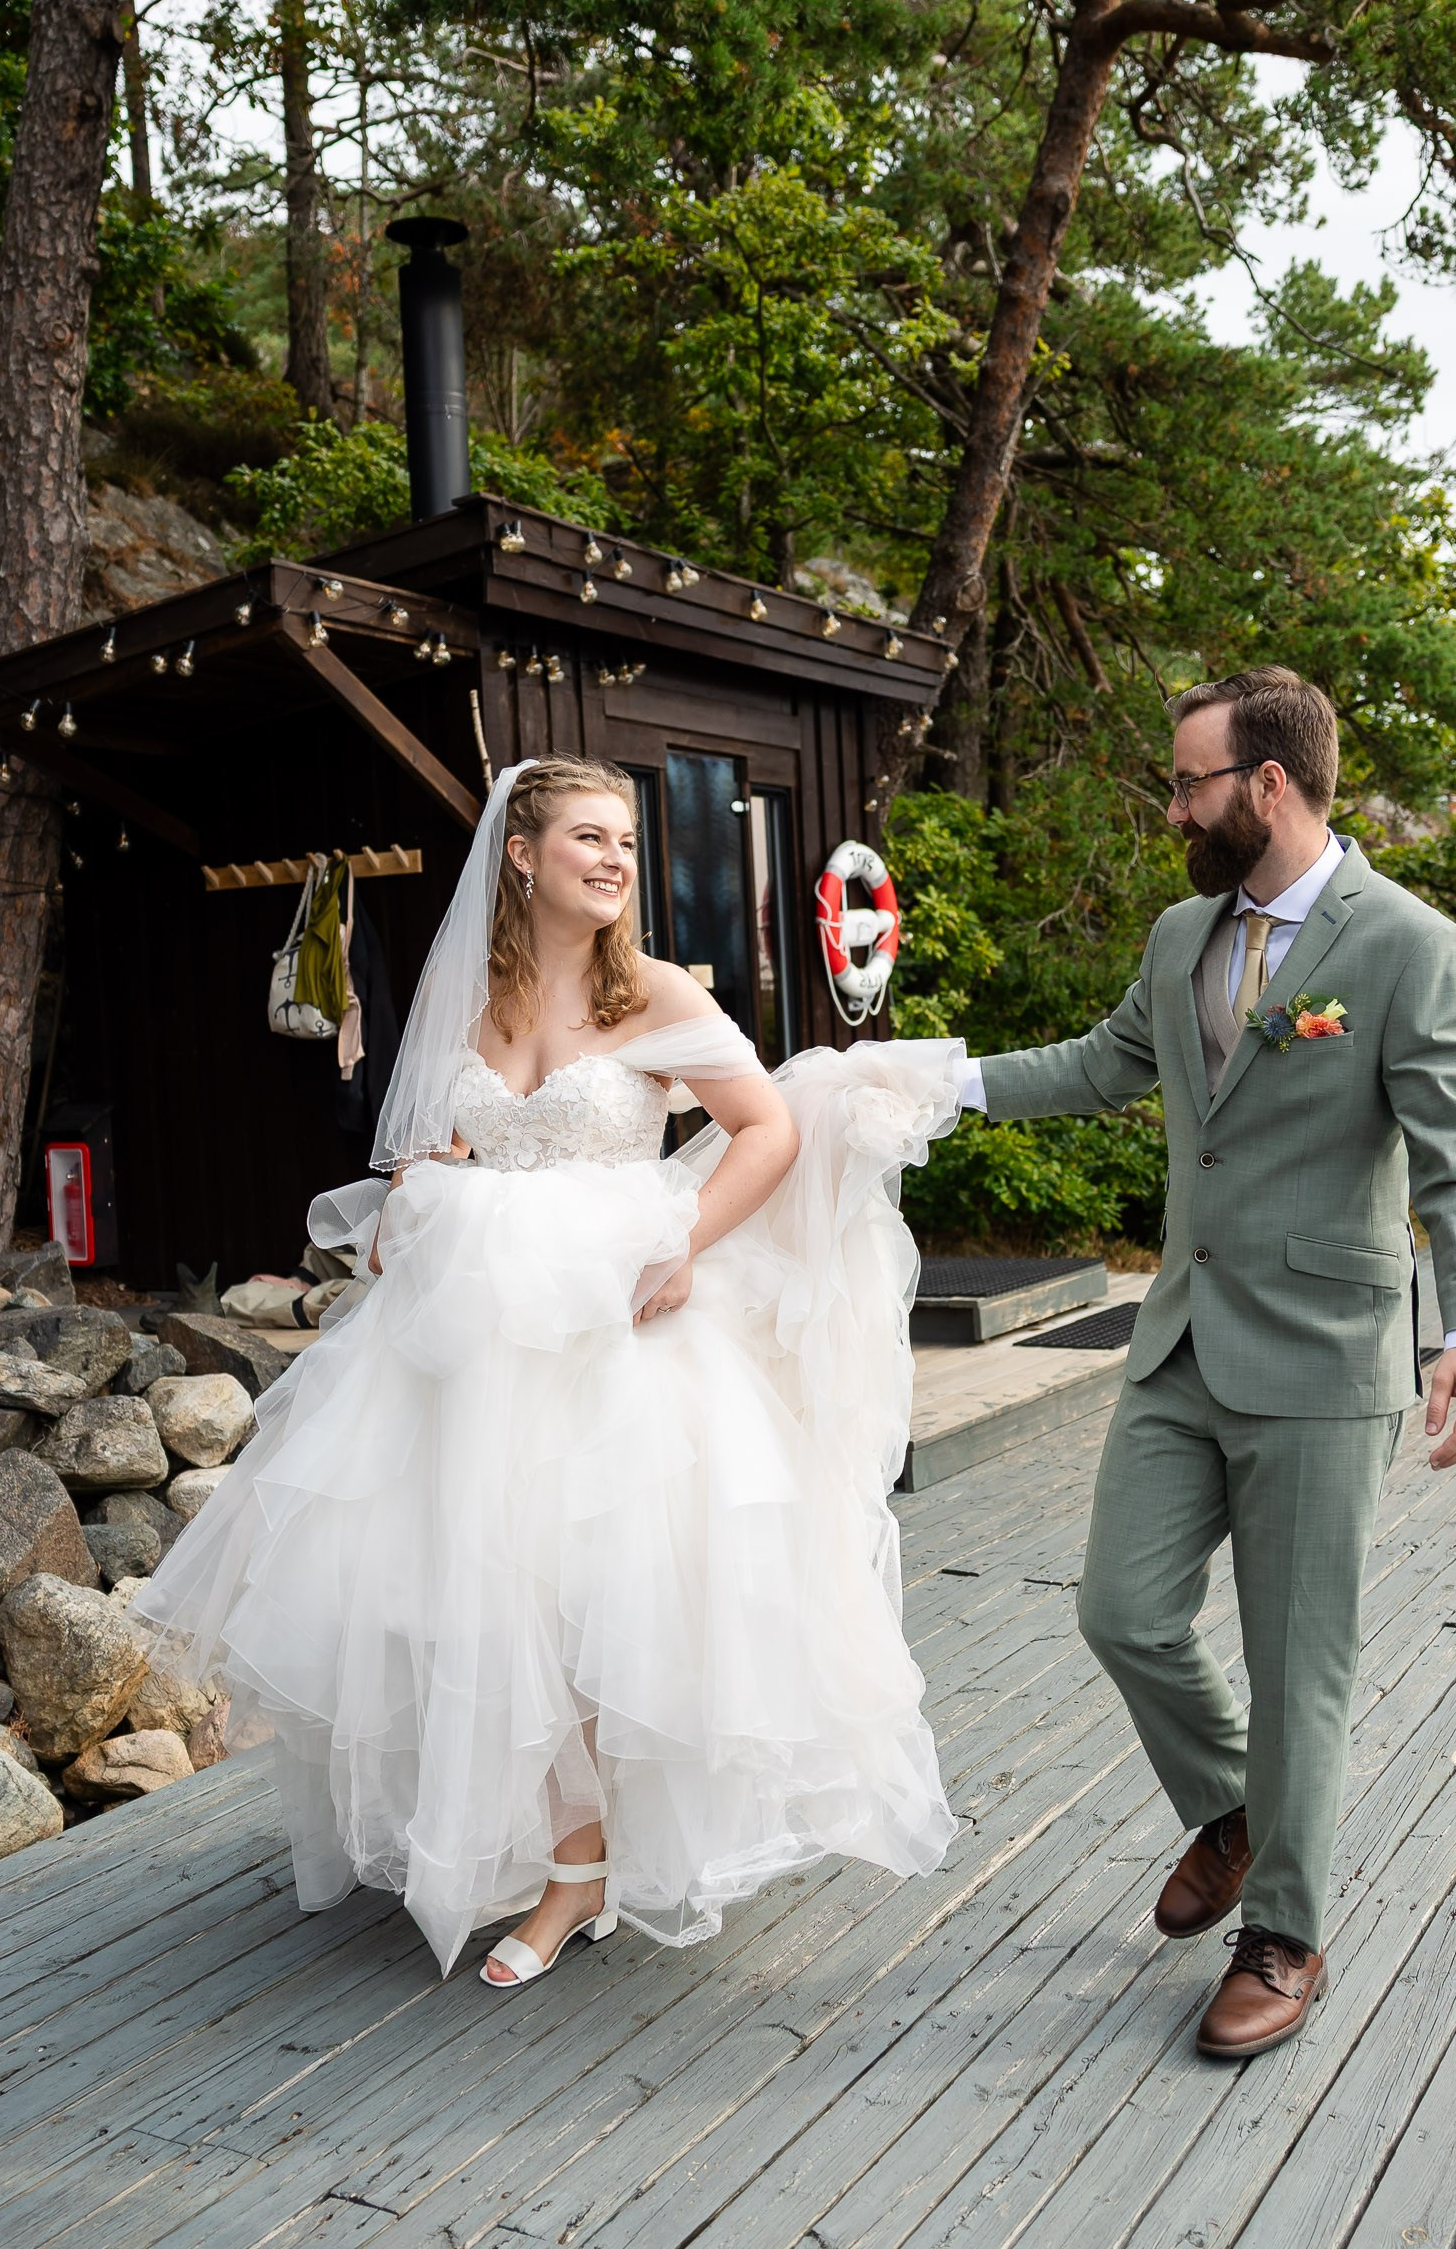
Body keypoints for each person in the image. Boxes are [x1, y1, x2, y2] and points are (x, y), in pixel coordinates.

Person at [133, 755, 961, 1985]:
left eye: (627, 841)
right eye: (590, 836)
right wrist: (428, 1185)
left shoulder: (657, 995)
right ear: (520, 856)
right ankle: (549, 1844)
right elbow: (440, 1141)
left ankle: (582, 1877)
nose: (618, 859)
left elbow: (767, 1129)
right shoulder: (473, 994)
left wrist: (685, 1242)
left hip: (617, 1329)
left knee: (590, 1594)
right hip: (478, 1338)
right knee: (469, 1594)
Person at [964, 668, 1456, 2060]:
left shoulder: (1408, 947)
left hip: (1327, 1363)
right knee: (1121, 1612)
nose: (1175, 809)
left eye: (1190, 783)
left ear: (1269, 785)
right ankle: (1233, 1810)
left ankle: (1282, 1933)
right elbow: (1105, 1066)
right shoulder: (1179, 935)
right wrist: (931, 1082)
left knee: (1299, 1669)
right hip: (1182, 1346)